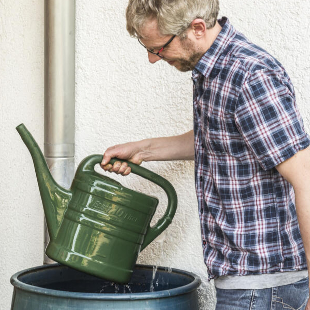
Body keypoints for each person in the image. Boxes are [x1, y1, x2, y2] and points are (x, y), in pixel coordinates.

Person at [100, 0, 310, 309]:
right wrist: (143, 150)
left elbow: (305, 178)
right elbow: (218, 137)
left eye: (158, 49)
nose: (152, 59)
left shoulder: (250, 76)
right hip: (245, 283)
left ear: (197, 28)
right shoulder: (213, 71)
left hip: (263, 288)